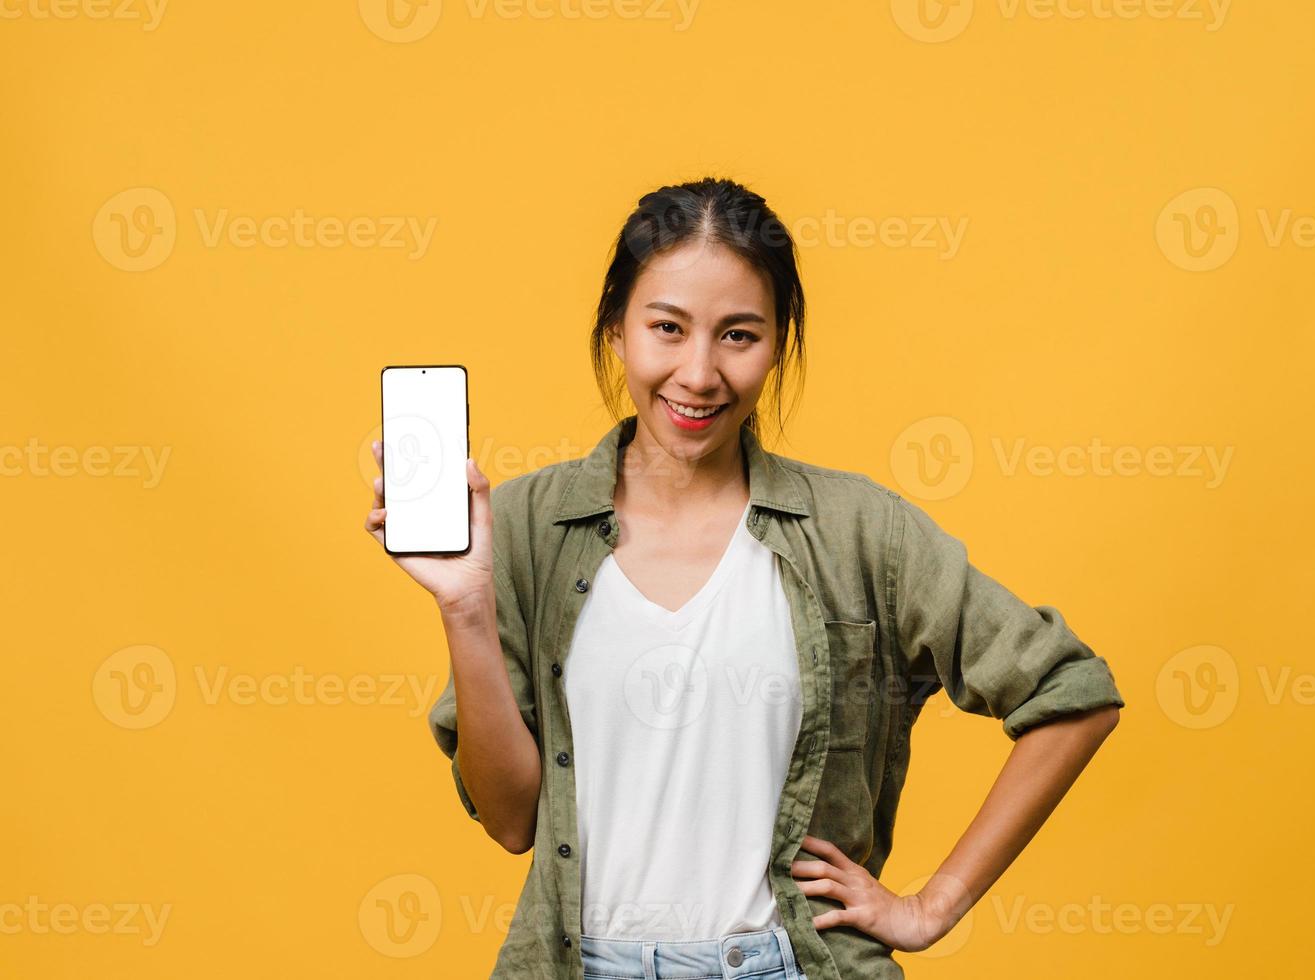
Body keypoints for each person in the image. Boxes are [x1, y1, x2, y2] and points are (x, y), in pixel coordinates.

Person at [363, 176, 1125, 980]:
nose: (698, 373)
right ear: (616, 332)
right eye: (667, 327)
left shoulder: (861, 531)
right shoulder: (519, 527)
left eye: (738, 335)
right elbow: (512, 820)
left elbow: (1072, 693)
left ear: (778, 343)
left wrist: (932, 905)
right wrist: (466, 609)